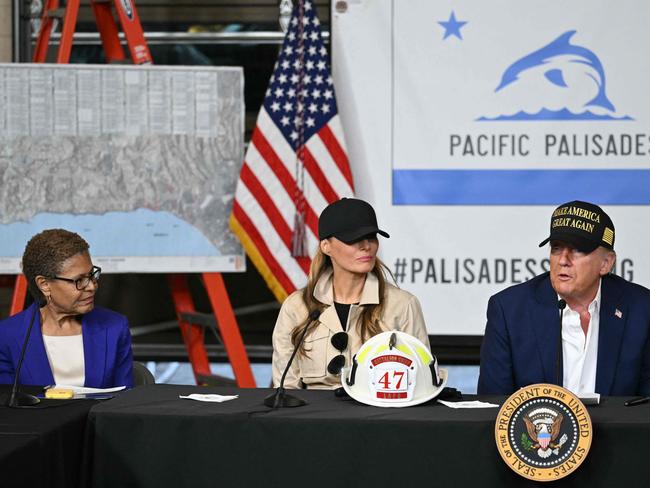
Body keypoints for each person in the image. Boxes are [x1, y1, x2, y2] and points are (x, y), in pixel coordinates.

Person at [478, 200, 650, 396]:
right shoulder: (509, 310)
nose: (562, 260)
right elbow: (491, 407)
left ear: (606, 263)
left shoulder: (642, 310)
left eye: (577, 250)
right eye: (556, 248)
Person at [272, 198, 430, 389]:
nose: (366, 246)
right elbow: (286, 389)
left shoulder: (403, 305)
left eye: (372, 236)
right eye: (353, 239)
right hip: (311, 416)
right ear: (326, 246)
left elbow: (422, 381)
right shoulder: (296, 306)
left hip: (378, 416)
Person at [0, 229, 134, 388]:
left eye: (92, 275)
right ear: (45, 284)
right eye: (79, 280)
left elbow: (124, 403)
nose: (91, 286)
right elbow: (7, 406)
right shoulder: (8, 335)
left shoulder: (114, 327)